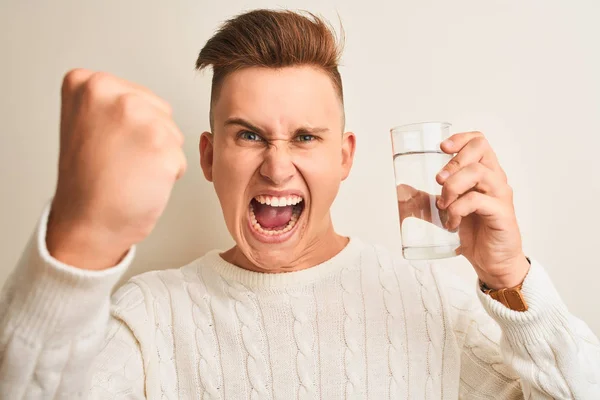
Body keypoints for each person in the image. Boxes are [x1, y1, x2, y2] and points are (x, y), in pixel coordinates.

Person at [0, 9, 598, 399]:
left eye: (307, 137)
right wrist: (78, 239)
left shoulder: (435, 303)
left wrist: (508, 277)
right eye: (249, 135)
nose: (278, 165)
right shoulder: (149, 320)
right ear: (208, 158)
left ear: (345, 157)